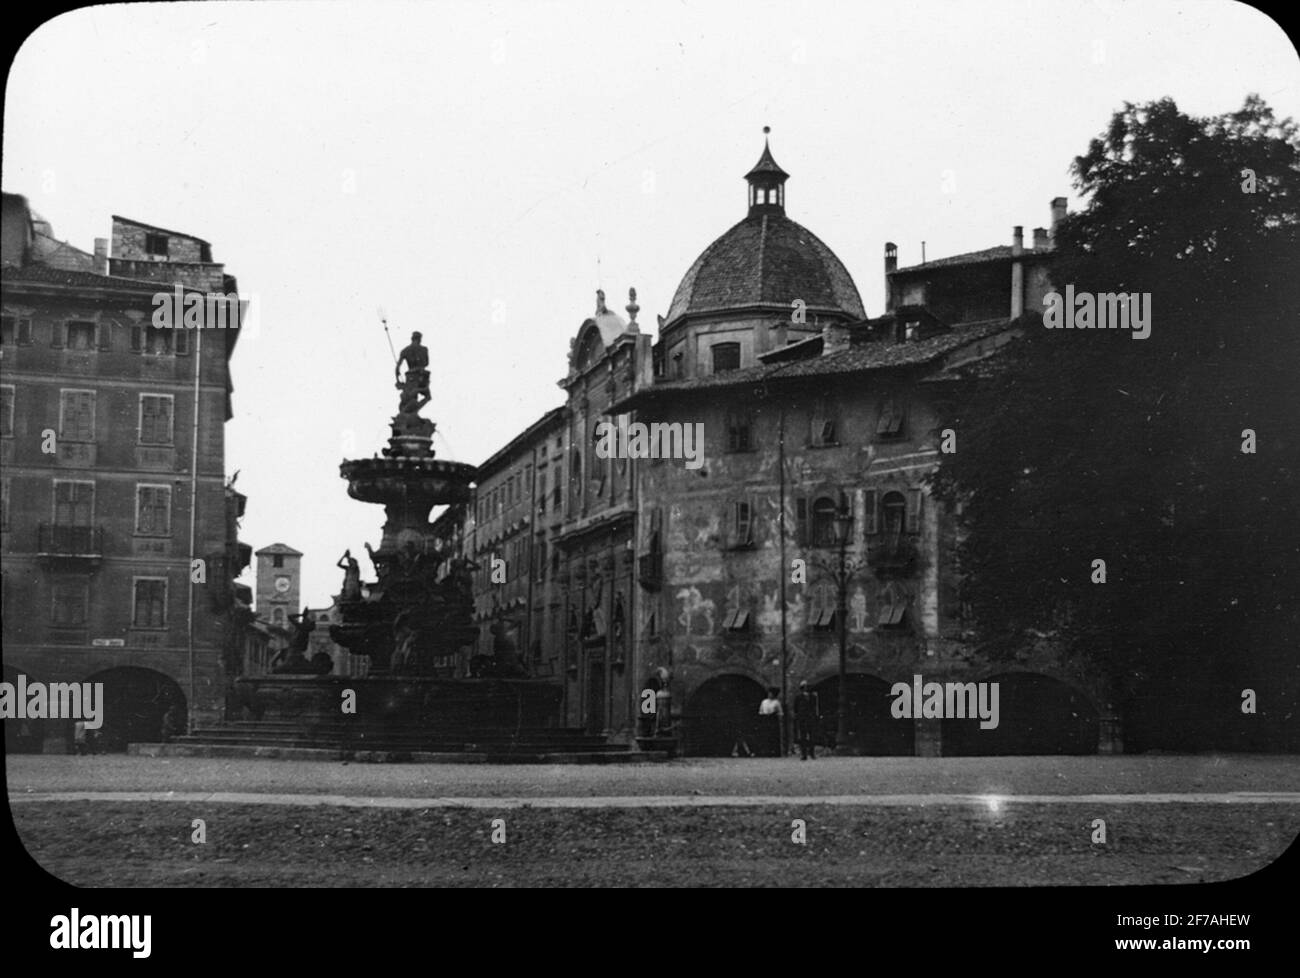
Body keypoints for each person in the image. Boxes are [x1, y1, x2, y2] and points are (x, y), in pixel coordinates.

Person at [793, 681, 821, 760]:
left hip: (810, 718)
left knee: (812, 736)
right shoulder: (798, 697)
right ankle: (804, 754)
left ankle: (812, 753)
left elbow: (814, 707)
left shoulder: (813, 697)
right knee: (803, 736)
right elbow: (796, 708)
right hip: (802, 718)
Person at [758, 686, 784, 757]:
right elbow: (760, 711)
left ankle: (774, 752)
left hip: (773, 720)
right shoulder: (764, 702)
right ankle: (766, 751)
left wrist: (776, 716)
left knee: (773, 736)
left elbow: (780, 713)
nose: (770, 695)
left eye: (771, 693)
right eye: (769, 693)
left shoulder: (776, 702)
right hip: (765, 719)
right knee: (765, 736)